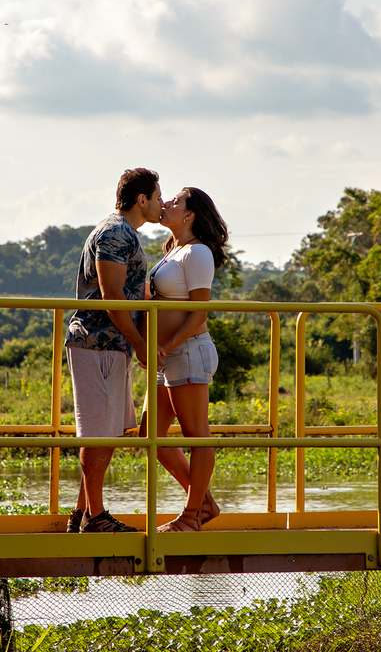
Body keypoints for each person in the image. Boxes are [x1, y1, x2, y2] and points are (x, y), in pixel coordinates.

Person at [63, 168, 163, 533]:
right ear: (142, 200)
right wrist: (139, 344)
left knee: (108, 430)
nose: (161, 203)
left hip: (110, 345)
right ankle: (96, 516)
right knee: (98, 433)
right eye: (157, 197)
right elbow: (111, 295)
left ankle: (82, 512)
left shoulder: (124, 232)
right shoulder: (115, 232)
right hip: (98, 342)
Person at [147, 187, 228, 532]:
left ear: (191, 214)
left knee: (197, 435)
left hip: (188, 349)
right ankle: (204, 503)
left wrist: (165, 347)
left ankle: (192, 515)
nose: (165, 204)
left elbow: (198, 313)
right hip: (167, 356)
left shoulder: (197, 253)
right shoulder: (172, 251)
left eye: (175, 202)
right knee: (149, 435)